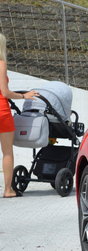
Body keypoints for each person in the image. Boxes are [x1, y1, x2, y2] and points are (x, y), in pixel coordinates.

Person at [0, 33, 38, 198]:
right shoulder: (1, 64)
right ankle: (8, 190)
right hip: (2, 111)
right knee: (7, 152)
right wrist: (24, 96)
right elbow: (5, 92)